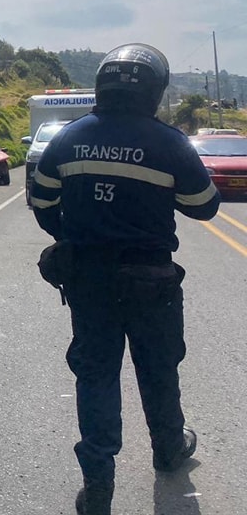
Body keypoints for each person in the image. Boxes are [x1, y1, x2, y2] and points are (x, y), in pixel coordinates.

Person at [30, 44, 220, 515]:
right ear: (155, 91)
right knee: (158, 369)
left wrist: (79, 235)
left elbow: (43, 204)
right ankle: (169, 448)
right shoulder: (168, 142)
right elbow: (205, 206)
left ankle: (98, 487)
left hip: (88, 281)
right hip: (151, 280)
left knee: (96, 376)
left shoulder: (67, 139)